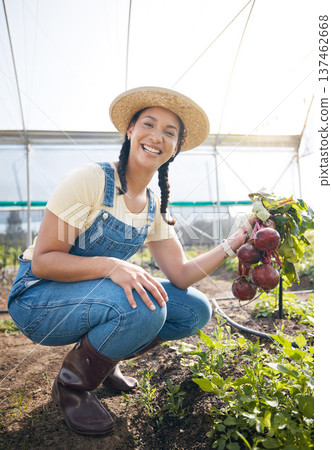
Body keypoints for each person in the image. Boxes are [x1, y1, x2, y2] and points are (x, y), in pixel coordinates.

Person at [7, 86, 254, 436]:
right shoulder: (90, 181)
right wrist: (113, 265)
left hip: (90, 300)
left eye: (170, 133)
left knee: (194, 309)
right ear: (130, 130)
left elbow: (181, 275)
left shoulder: (153, 206)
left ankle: (105, 361)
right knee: (145, 307)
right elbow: (44, 262)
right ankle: (73, 386)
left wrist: (234, 242)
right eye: (149, 125)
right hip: (37, 299)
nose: (157, 137)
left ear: (175, 148)